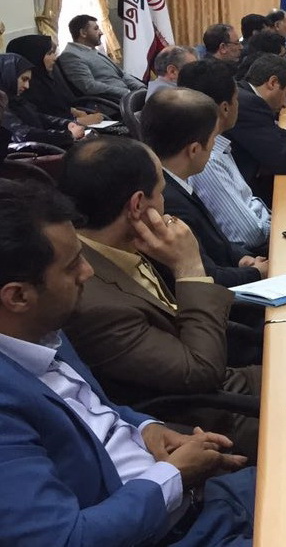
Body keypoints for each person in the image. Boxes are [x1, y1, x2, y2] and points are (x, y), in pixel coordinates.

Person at [0, 178, 255, 546]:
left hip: (200, 501)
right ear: (18, 297)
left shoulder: (38, 327)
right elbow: (65, 539)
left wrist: (146, 428)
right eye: (72, 267)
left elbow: (94, 409)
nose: (88, 272)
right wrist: (173, 475)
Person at [57, 137, 262, 460]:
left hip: (234, 381)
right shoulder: (91, 300)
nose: (166, 203)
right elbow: (201, 372)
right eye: (162, 192)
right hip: (210, 421)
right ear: (138, 205)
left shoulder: (128, 245)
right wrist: (189, 268)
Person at [142, 88, 267, 288]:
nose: (214, 146)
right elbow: (206, 275)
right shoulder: (166, 201)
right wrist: (256, 272)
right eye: (213, 139)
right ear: (194, 149)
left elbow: (215, 240)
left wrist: (241, 257)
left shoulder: (176, 181)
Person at [180, 61, 272, 255]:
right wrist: (277, 223)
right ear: (225, 108)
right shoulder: (207, 159)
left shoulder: (216, 145)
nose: (239, 104)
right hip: (257, 253)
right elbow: (250, 235)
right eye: (236, 99)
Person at [223, 54, 286, 203]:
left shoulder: (245, 94)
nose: (285, 103)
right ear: (273, 83)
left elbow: (270, 132)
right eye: (285, 94)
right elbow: (281, 161)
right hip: (250, 191)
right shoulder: (250, 103)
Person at [6, 33, 112, 129]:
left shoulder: (46, 80)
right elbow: (38, 121)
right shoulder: (20, 91)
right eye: (49, 53)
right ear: (35, 57)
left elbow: (55, 108)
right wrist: (78, 122)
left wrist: (73, 111)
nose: (55, 58)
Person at [0, 53, 86, 149]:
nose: (27, 86)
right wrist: (68, 135)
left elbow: (37, 116)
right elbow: (23, 134)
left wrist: (66, 124)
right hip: (28, 154)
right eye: (24, 79)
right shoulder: (1, 103)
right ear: (8, 75)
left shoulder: (15, 99)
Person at [58, 14, 146, 100]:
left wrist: (141, 88)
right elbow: (89, 86)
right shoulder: (71, 55)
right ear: (83, 33)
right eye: (96, 29)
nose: (101, 33)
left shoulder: (94, 50)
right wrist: (127, 93)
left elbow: (122, 74)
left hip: (129, 97)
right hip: (111, 102)